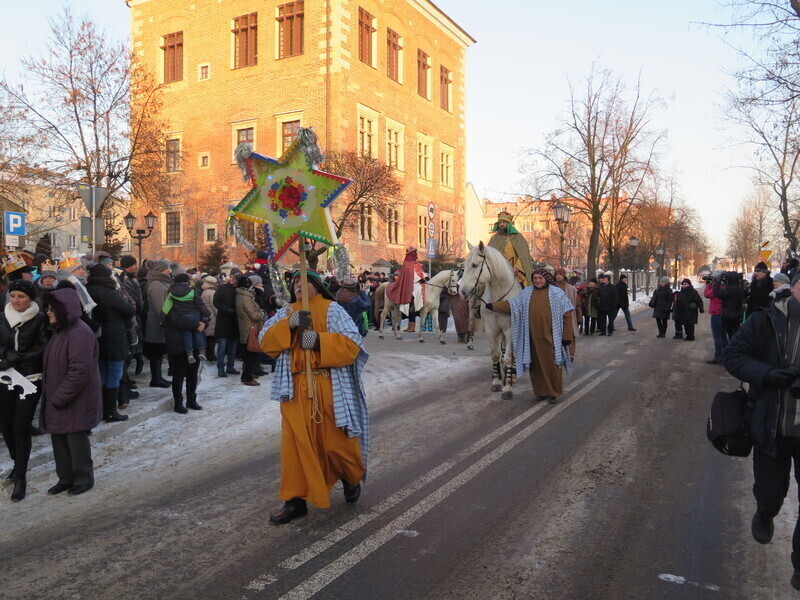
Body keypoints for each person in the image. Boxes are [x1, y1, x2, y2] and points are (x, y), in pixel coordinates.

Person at [259, 269, 369, 525]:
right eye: (295, 282)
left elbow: (353, 343)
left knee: (337, 443)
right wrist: (291, 324)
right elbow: (266, 341)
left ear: (317, 286)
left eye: (304, 281)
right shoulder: (286, 312)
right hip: (296, 390)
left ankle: (350, 478)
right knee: (295, 447)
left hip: (327, 385)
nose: (298, 285)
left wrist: (318, 340)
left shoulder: (333, 309)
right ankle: (294, 501)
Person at [723, 271, 800, 591]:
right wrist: (768, 374)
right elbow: (733, 356)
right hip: (772, 426)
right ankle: (765, 512)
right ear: (794, 287)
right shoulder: (766, 320)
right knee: (770, 490)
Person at [40, 286, 102, 496]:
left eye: (52, 309)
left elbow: (80, 371)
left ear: (65, 309)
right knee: (59, 439)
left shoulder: (80, 333)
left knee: (75, 441)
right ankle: (65, 478)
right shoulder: (60, 331)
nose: (48, 312)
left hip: (75, 399)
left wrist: (60, 397)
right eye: (47, 308)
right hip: (59, 398)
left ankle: (83, 478)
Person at [485, 269, 573, 403]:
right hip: (532, 338)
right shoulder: (527, 293)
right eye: (535, 278)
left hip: (552, 337)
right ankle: (541, 392)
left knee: (552, 366)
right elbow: (512, 305)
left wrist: (567, 336)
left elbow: (567, 315)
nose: (537, 280)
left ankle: (553, 392)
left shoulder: (557, 293)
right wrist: (493, 306)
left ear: (546, 279)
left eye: (540, 278)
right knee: (536, 367)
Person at [0, 280, 48, 501]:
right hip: (6, 376)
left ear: (30, 298)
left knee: (20, 426)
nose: (16, 300)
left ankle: (20, 476)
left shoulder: (39, 319)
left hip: (30, 378)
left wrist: (20, 357)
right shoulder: (3, 317)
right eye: (13, 296)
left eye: (21, 296)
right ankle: (16, 460)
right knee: (5, 425)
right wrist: (5, 353)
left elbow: (45, 347)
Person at [86, 263, 135, 423]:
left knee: (102, 373)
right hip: (114, 337)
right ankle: (111, 410)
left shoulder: (87, 290)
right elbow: (128, 310)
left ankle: (101, 410)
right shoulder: (108, 293)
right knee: (114, 373)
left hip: (96, 337)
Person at [161, 273, 209, 365]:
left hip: (182, 317)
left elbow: (166, 307)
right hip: (194, 316)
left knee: (187, 334)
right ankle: (201, 351)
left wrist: (162, 318)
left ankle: (189, 354)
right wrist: (207, 313)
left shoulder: (171, 293)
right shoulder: (192, 291)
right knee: (197, 332)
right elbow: (200, 304)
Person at [144, 260, 173, 388]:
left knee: (159, 351)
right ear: (161, 270)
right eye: (167, 268)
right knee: (156, 351)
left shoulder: (161, 282)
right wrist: (165, 320)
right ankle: (156, 378)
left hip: (159, 322)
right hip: (156, 323)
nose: (169, 271)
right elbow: (159, 306)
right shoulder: (156, 284)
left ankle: (158, 377)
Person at [487, 211, 534, 287]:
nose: (501, 224)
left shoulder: (518, 237)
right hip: (498, 270)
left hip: (515, 271)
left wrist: (517, 268)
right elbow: (489, 255)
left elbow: (523, 255)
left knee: (523, 286)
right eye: (500, 222)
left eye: (504, 222)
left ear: (509, 224)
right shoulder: (494, 238)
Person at [386, 247, 425, 333]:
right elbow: (411, 276)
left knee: (414, 305)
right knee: (411, 306)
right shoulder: (407, 264)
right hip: (410, 286)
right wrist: (418, 279)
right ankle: (410, 326)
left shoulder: (416, 264)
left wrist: (424, 277)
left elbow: (420, 272)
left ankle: (412, 326)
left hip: (418, 285)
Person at [236, 275, 265, 386]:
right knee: (250, 354)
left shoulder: (243, 296)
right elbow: (254, 316)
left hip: (247, 327)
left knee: (250, 353)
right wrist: (261, 312)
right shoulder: (245, 298)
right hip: (249, 328)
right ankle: (247, 377)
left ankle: (250, 373)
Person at [214, 269, 241, 378]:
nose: (232, 278)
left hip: (235, 322)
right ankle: (220, 368)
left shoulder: (240, 290)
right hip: (223, 321)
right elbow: (216, 302)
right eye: (231, 276)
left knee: (233, 346)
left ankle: (230, 366)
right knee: (222, 346)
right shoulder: (222, 288)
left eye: (234, 277)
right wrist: (227, 310)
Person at [554, 268, 580, 358]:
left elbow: (577, 305)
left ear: (564, 275)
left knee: (570, 333)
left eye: (560, 274)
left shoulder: (571, 289)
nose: (558, 276)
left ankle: (571, 354)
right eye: (557, 274)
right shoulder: (551, 288)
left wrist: (579, 318)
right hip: (556, 315)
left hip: (569, 315)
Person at [704, 271, 726, 364]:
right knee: (723, 336)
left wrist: (708, 285)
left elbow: (707, 294)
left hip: (716, 313)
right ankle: (726, 355)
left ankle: (718, 356)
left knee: (717, 336)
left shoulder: (717, 288)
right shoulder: (726, 286)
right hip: (724, 313)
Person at [200, 275, 218, 362]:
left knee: (207, 338)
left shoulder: (204, 292)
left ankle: (208, 354)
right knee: (211, 339)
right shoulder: (212, 293)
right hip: (212, 318)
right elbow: (215, 306)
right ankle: (210, 355)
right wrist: (219, 315)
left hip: (206, 317)